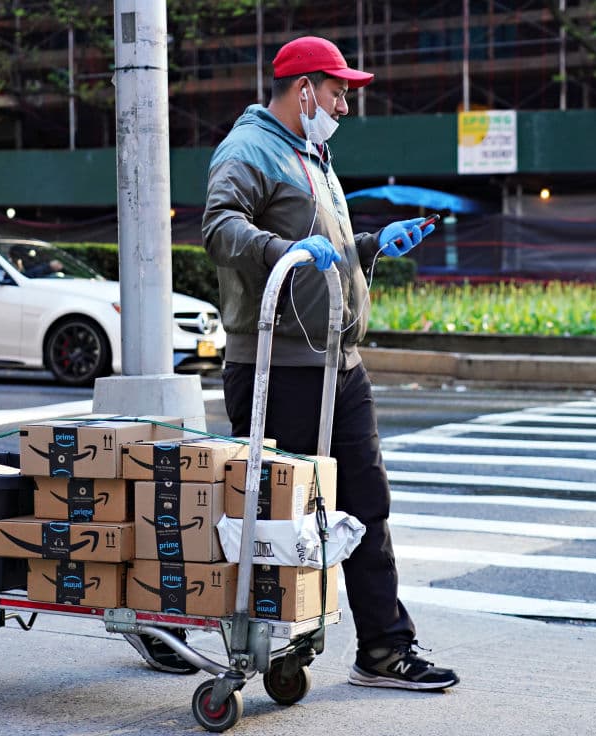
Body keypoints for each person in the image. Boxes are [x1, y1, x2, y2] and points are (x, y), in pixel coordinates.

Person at [126, 36, 458, 691]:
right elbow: (218, 229)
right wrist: (287, 248)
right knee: (273, 517)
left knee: (366, 504)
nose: (343, 104)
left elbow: (322, 253)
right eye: (336, 92)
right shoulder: (249, 148)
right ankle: (188, 623)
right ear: (302, 88)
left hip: (338, 364)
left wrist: (368, 244)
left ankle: (384, 649)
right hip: (278, 367)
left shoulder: (312, 154)